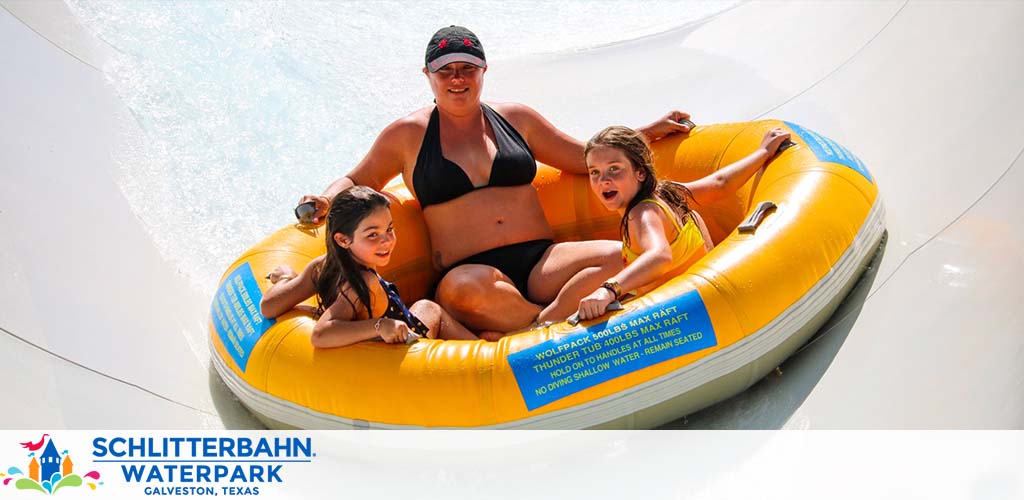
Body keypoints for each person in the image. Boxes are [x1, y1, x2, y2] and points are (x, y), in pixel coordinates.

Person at [298, 25, 702, 333]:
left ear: (483, 69)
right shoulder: (406, 135)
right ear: (428, 75)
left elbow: (584, 157)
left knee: (620, 255)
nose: (458, 78)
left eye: (467, 68)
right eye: (446, 71)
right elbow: (357, 178)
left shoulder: (517, 119)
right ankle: (543, 330)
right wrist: (324, 200)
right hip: (468, 272)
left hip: (542, 261)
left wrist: (646, 132)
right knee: (463, 290)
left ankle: (542, 325)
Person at [575, 125, 792, 321]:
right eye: (595, 172)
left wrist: (608, 290)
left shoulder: (642, 214)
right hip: (705, 293)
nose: (603, 179)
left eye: (614, 168)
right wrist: (763, 152)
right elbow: (720, 183)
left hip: (686, 313)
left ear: (640, 172)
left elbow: (659, 255)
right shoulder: (666, 192)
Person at [261, 186, 487, 347]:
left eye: (389, 228)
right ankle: (485, 351)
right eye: (372, 234)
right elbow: (320, 334)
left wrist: (284, 280)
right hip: (408, 345)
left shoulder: (323, 266)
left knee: (425, 306)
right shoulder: (364, 282)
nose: (387, 240)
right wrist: (380, 325)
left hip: (400, 325)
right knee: (431, 309)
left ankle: (483, 342)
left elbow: (269, 307)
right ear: (343, 240)